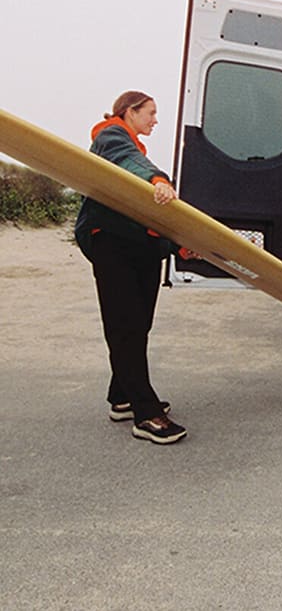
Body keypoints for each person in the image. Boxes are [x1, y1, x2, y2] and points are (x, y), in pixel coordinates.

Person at [75, 91, 188, 444]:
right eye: (151, 113)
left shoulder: (135, 148)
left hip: (138, 247)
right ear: (129, 112)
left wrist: (179, 246)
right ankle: (145, 414)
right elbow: (128, 164)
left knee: (137, 324)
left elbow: (145, 216)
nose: (155, 120)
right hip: (114, 245)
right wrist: (158, 180)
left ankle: (121, 396)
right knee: (125, 325)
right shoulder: (110, 135)